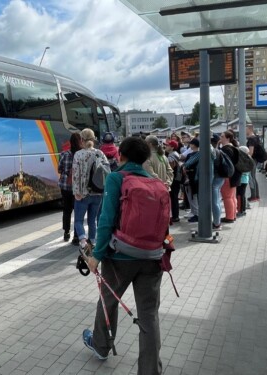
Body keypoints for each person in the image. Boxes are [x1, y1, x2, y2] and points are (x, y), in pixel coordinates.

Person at [81, 136, 164, 374]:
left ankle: (100, 345)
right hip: (152, 257)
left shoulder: (117, 178)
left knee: (108, 301)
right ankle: (150, 370)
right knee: (149, 315)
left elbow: (106, 220)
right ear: (145, 158)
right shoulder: (156, 182)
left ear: (121, 156)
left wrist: (96, 255)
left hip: (120, 257)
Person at [72, 128, 109, 251]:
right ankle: (93, 242)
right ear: (93, 139)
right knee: (92, 220)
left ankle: (83, 242)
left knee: (78, 220)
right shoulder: (100, 153)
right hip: (98, 192)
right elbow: (107, 171)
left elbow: (75, 175)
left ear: (81, 140)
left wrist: (76, 192)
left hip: (83, 193)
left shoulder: (78, 154)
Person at [58, 133, 82, 244]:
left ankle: (66, 233)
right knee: (78, 210)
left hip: (65, 186)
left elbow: (59, 169)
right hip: (77, 187)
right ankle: (76, 236)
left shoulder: (64, 154)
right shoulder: (82, 155)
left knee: (66, 210)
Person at [245, 125, 265, 202]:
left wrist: (246, 159)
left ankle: (254, 196)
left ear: (250, 129)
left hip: (252, 160)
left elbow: (251, 152)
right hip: (256, 159)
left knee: (251, 177)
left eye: (246, 129)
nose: (245, 131)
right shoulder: (256, 137)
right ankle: (256, 195)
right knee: (253, 177)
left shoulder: (251, 139)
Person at [164, 140, 182, 223]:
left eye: (167, 145)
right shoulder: (175, 154)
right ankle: (175, 216)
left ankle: (175, 216)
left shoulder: (171, 156)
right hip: (177, 179)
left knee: (174, 198)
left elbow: (170, 169)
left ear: (172, 147)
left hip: (174, 180)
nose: (166, 146)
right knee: (174, 197)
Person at [182, 138, 200, 222]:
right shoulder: (190, 154)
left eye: (191, 144)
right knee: (190, 195)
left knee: (194, 196)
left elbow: (188, 164)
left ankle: (197, 214)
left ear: (194, 144)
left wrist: (185, 167)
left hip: (193, 177)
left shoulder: (198, 154)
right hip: (188, 176)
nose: (190, 145)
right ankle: (193, 212)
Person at [236, 146, 252, 217]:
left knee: (240, 195)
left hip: (241, 179)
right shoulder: (249, 158)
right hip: (245, 179)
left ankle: (241, 210)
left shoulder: (242, 159)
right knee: (242, 195)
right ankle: (242, 210)